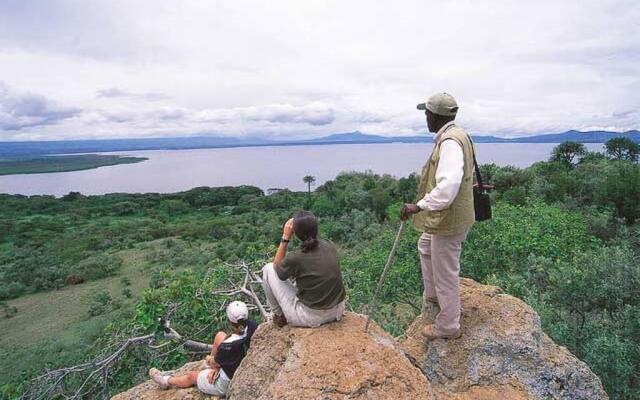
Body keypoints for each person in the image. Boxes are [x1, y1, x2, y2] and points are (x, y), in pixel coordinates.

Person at [400, 92, 475, 340]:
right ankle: (433, 296)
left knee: (445, 271)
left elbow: (447, 187)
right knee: (425, 245)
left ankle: (448, 325)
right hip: (452, 216)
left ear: (435, 116)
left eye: (426, 113)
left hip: (449, 220)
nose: (425, 117)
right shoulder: (458, 135)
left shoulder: (450, 142)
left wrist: (418, 206)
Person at [148, 301, 257, 397]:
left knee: (191, 377)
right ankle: (207, 368)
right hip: (237, 358)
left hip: (226, 381)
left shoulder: (227, 346)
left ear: (230, 320)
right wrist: (216, 366)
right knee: (220, 335)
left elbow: (215, 362)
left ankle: (166, 381)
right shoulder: (252, 326)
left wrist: (211, 362)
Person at [261, 210, 346, 328]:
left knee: (268, 269)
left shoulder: (296, 257)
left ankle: (279, 316)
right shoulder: (329, 244)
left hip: (311, 317)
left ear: (295, 233)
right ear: (316, 229)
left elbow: (277, 269)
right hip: (338, 310)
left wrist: (285, 237)